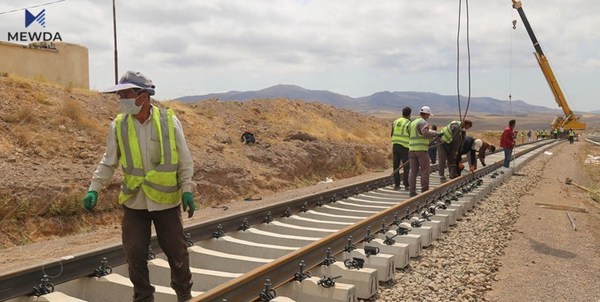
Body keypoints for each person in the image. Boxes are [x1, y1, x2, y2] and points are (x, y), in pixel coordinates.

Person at [82, 71, 195, 302]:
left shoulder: (168, 121)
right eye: (119, 95)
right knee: (134, 253)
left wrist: (187, 190)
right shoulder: (118, 125)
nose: (121, 99)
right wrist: (94, 187)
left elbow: (184, 159)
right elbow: (109, 160)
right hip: (135, 200)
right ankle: (143, 298)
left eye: (126, 94)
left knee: (177, 253)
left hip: (165, 201)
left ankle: (184, 296)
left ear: (143, 95)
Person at [408, 106, 439, 197]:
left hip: (412, 149)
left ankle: (412, 191)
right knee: (425, 170)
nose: (428, 116)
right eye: (428, 114)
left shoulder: (413, 122)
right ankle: (424, 190)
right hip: (421, 150)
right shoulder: (423, 122)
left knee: (413, 171)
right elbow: (425, 133)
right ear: (426, 114)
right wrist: (436, 134)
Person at [391, 107, 412, 190]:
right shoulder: (409, 123)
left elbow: (392, 134)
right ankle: (406, 184)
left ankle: (396, 185)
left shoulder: (396, 121)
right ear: (409, 114)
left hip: (395, 145)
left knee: (396, 166)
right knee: (406, 166)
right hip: (405, 147)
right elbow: (411, 135)